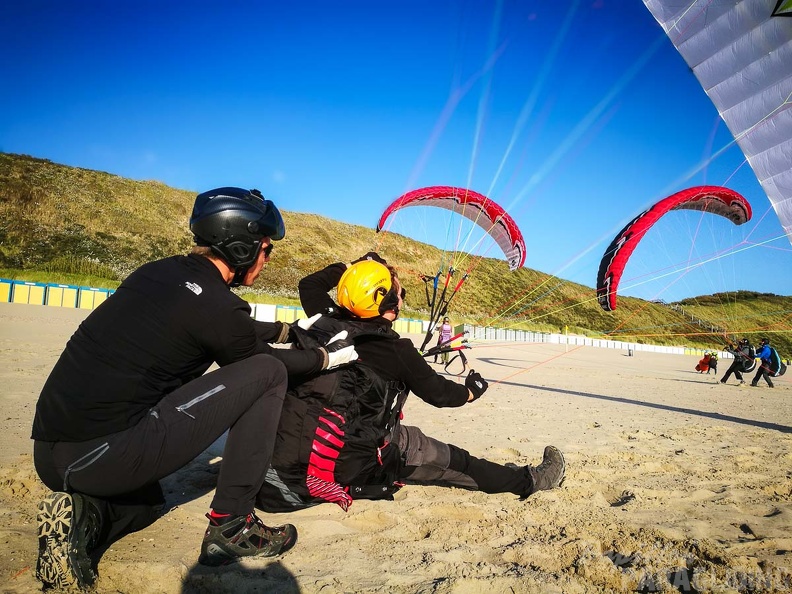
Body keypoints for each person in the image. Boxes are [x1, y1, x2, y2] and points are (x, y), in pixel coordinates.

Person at [31, 187, 358, 589]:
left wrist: (287, 330)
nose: (267, 259)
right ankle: (232, 525)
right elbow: (258, 355)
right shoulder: (217, 306)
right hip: (105, 458)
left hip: (51, 454)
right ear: (242, 247)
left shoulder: (159, 273)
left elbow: (221, 325)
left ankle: (82, 516)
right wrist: (327, 357)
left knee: (147, 505)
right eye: (266, 249)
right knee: (268, 373)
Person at [256, 253, 565, 515]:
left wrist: (358, 269)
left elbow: (309, 283)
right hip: (349, 463)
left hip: (286, 455)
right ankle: (531, 481)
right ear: (389, 301)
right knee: (455, 461)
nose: (402, 297)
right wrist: (471, 392)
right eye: (398, 292)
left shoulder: (324, 320)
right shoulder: (396, 350)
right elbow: (440, 394)